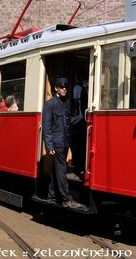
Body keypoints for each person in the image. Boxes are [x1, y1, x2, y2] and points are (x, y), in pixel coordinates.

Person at [42, 77, 83, 209]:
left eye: (65, 87)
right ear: (56, 88)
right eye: (61, 87)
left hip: (65, 142)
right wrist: (49, 145)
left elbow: (68, 121)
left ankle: (52, 195)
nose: (64, 89)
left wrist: (82, 117)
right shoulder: (50, 104)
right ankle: (66, 199)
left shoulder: (67, 103)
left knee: (57, 169)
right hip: (57, 143)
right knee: (61, 170)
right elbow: (46, 126)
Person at [71, 69, 88, 177]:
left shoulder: (81, 87)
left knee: (82, 143)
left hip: (82, 118)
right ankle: (79, 166)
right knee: (80, 143)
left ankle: (81, 165)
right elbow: (76, 100)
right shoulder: (78, 88)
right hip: (80, 119)